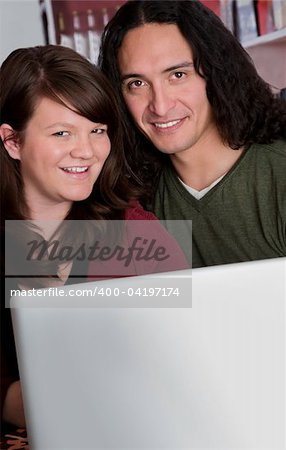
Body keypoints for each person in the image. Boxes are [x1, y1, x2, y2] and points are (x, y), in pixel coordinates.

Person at [0, 45, 189, 428]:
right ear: (12, 142)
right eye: (61, 132)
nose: (86, 151)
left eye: (97, 131)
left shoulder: (137, 233)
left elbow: (186, 356)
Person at [99, 0, 286, 268]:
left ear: (216, 73)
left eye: (177, 75)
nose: (160, 106)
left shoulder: (278, 176)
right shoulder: (134, 202)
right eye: (137, 83)